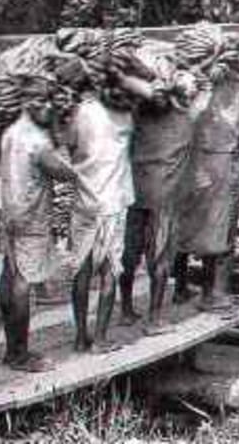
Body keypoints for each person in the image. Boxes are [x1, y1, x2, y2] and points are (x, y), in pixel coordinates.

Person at [119, 58, 211, 335]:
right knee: (160, 258)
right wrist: (193, 66)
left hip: (136, 192)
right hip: (165, 197)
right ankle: (155, 318)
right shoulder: (189, 117)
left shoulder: (139, 114)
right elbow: (205, 87)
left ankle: (125, 309)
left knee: (129, 254)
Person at [175, 58, 239, 310]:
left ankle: (179, 287)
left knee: (186, 229)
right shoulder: (237, 103)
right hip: (221, 171)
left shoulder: (196, 102)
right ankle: (212, 294)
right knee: (219, 235)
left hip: (193, 172)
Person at [63, 65, 143, 354]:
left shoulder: (79, 113)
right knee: (110, 271)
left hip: (85, 201)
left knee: (81, 271)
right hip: (114, 203)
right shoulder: (126, 116)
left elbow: (69, 147)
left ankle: (80, 336)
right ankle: (100, 339)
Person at [0, 97, 77, 371]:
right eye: (45, 106)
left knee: (10, 276)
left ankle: (11, 349)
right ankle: (19, 353)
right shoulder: (36, 141)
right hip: (31, 216)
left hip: (9, 212)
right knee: (23, 283)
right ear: (30, 105)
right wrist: (60, 134)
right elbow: (64, 173)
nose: (50, 110)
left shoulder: (10, 132)